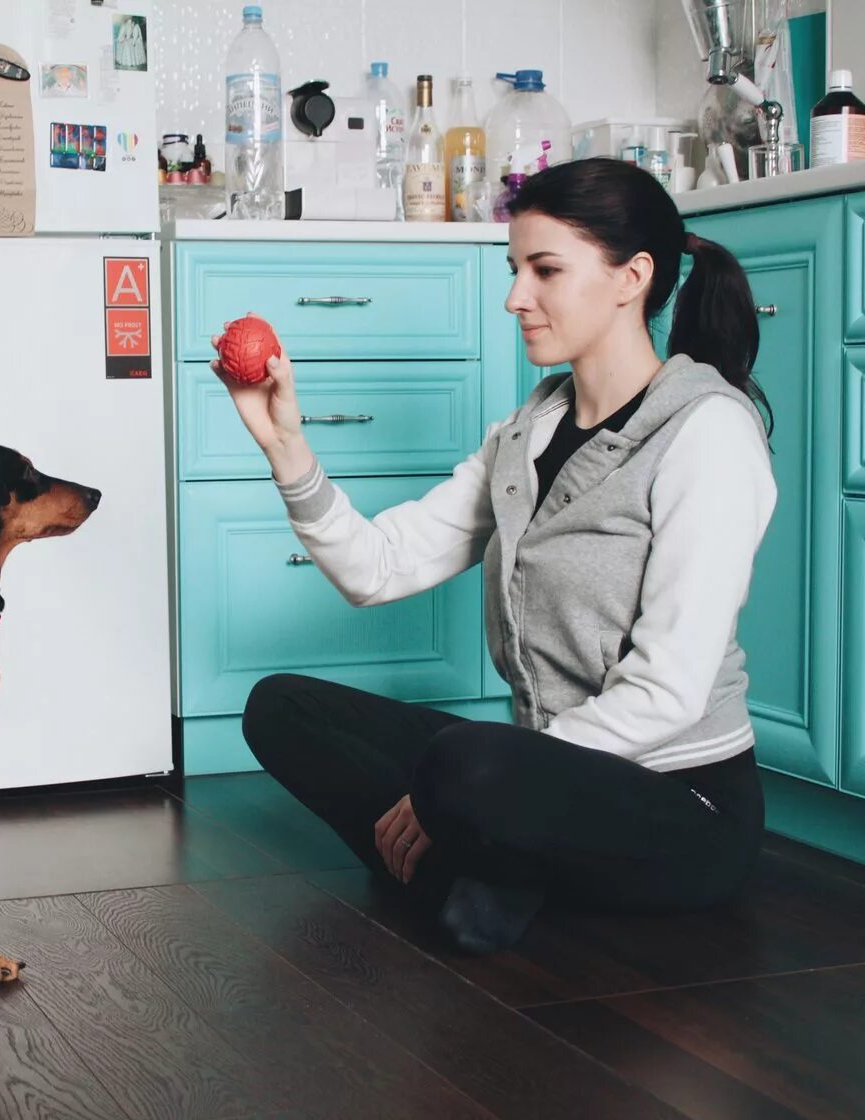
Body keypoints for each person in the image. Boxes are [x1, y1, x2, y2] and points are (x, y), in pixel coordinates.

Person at [211, 159, 777, 952]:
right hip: (542, 778)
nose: (516, 296)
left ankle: (476, 859)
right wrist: (287, 450)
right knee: (283, 708)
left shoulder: (706, 431)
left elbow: (671, 690)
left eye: (545, 270)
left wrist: (477, 782)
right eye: (516, 269)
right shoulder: (529, 431)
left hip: (680, 805)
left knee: (465, 768)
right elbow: (377, 569)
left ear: (633, 278)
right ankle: (491, 867)